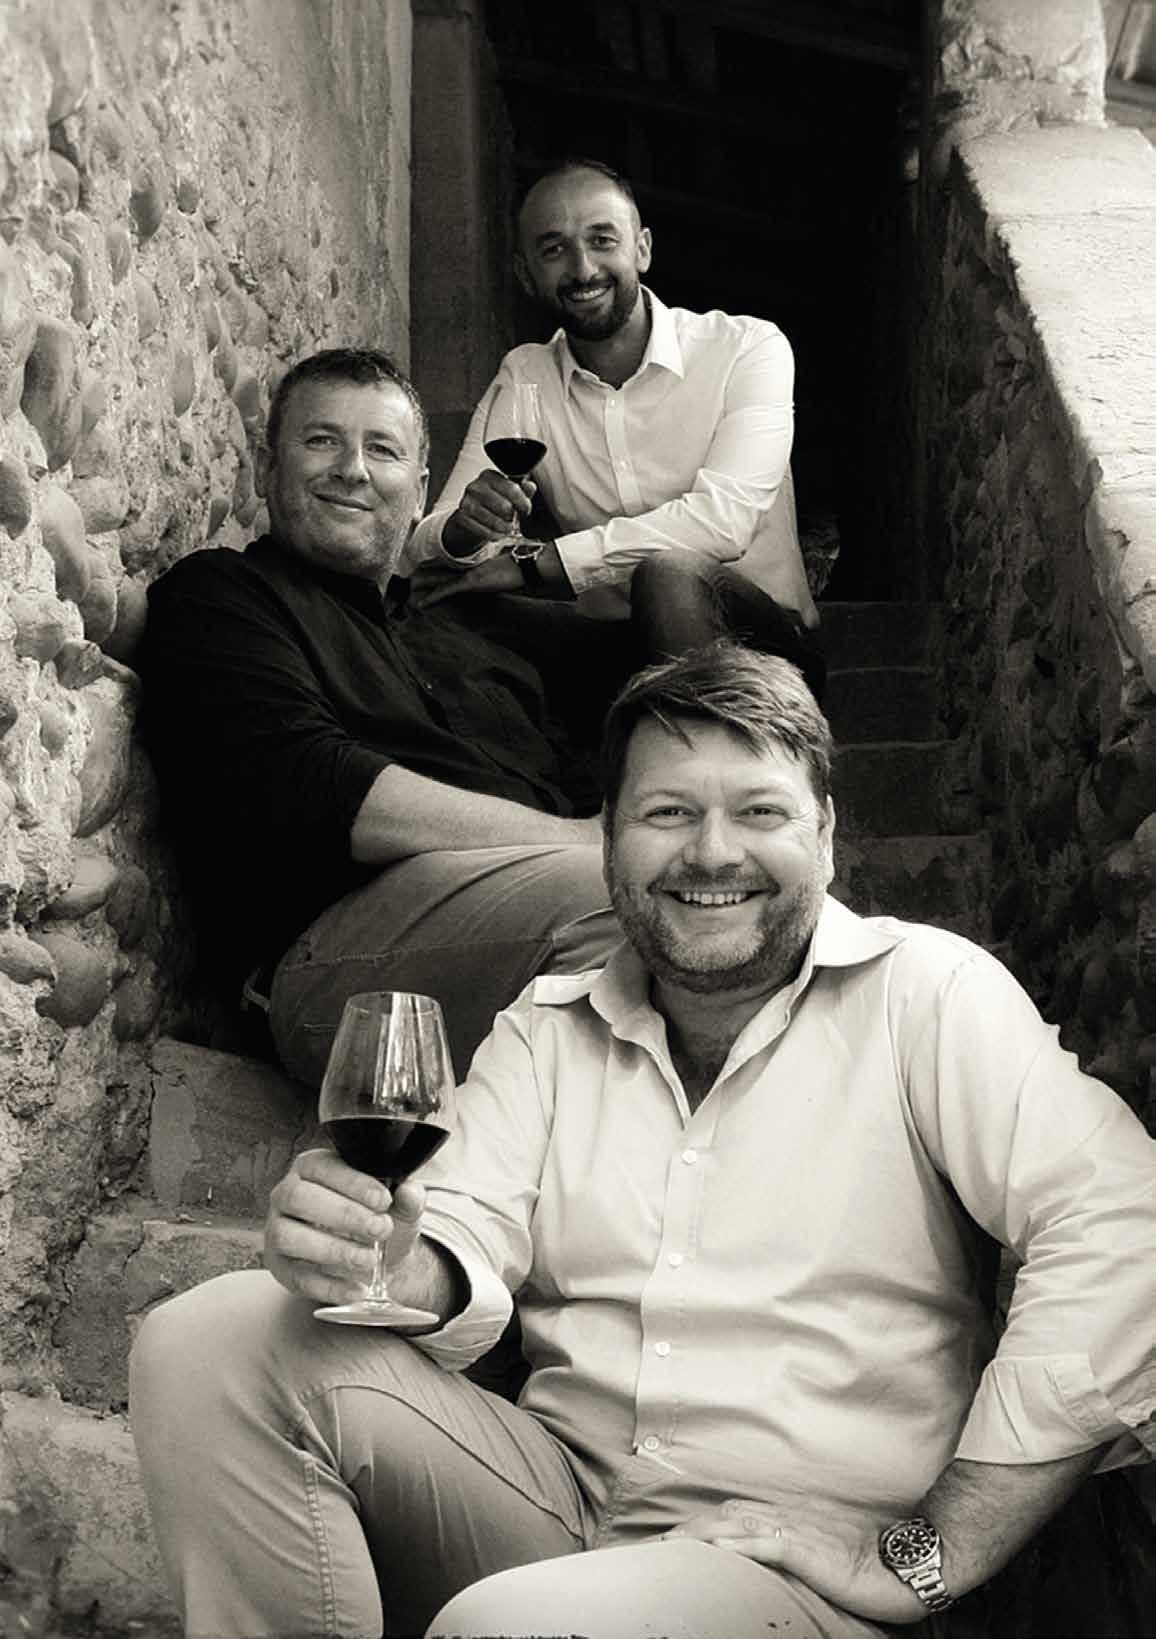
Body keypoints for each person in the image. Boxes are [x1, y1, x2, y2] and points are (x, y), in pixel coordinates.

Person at [130, 644, 1156, 1639]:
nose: (712, 852)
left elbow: (1124, 1221)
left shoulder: (927, 996)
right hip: (558, 1503)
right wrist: (389, 1259)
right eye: (668, 812)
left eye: (760, 811)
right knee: (208, 1341)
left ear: (827, 833)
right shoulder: (547, 1026)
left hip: (788, 1566)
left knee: (508, 1624)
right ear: (610, 838)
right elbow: (455, 1236)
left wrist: (938, 1544)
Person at [137, 346, 624, 1082]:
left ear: (421, 491)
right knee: (636, 900)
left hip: (528, 906)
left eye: (382, 449)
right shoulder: (224, 596)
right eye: (322, 440)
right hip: (334, 965)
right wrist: (588, 845)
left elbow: (572, 777)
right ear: (267, 470)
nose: (353, 469)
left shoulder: (456, 638)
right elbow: (315, 785)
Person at [402, 156, 825, 710]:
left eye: (602, 240)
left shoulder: (746, 348)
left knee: (669, 576)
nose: (583, 269)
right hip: (619, 648)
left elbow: (724, 522)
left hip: (762, 652)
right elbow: (424, 545)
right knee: (434, 604)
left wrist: (537, 565)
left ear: (641, 249)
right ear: (526, 274)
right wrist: (463, 532)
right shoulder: (526, 375)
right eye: (554, 250)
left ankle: (704, 758)